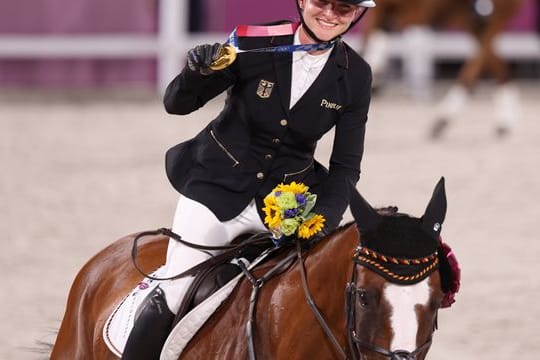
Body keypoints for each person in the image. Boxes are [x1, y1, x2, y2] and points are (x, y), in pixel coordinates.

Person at [121, 0, 375, 358]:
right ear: (302, 1)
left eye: (344, 8)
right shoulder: (256, 40)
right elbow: (176, 103)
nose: (331, 14)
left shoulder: (356, 74)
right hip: (216, 185)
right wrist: (197, 72)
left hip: (286, 203)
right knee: (177, 289)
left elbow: (346, 165)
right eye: (322, 2)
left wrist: (327, 218)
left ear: (357, 15)